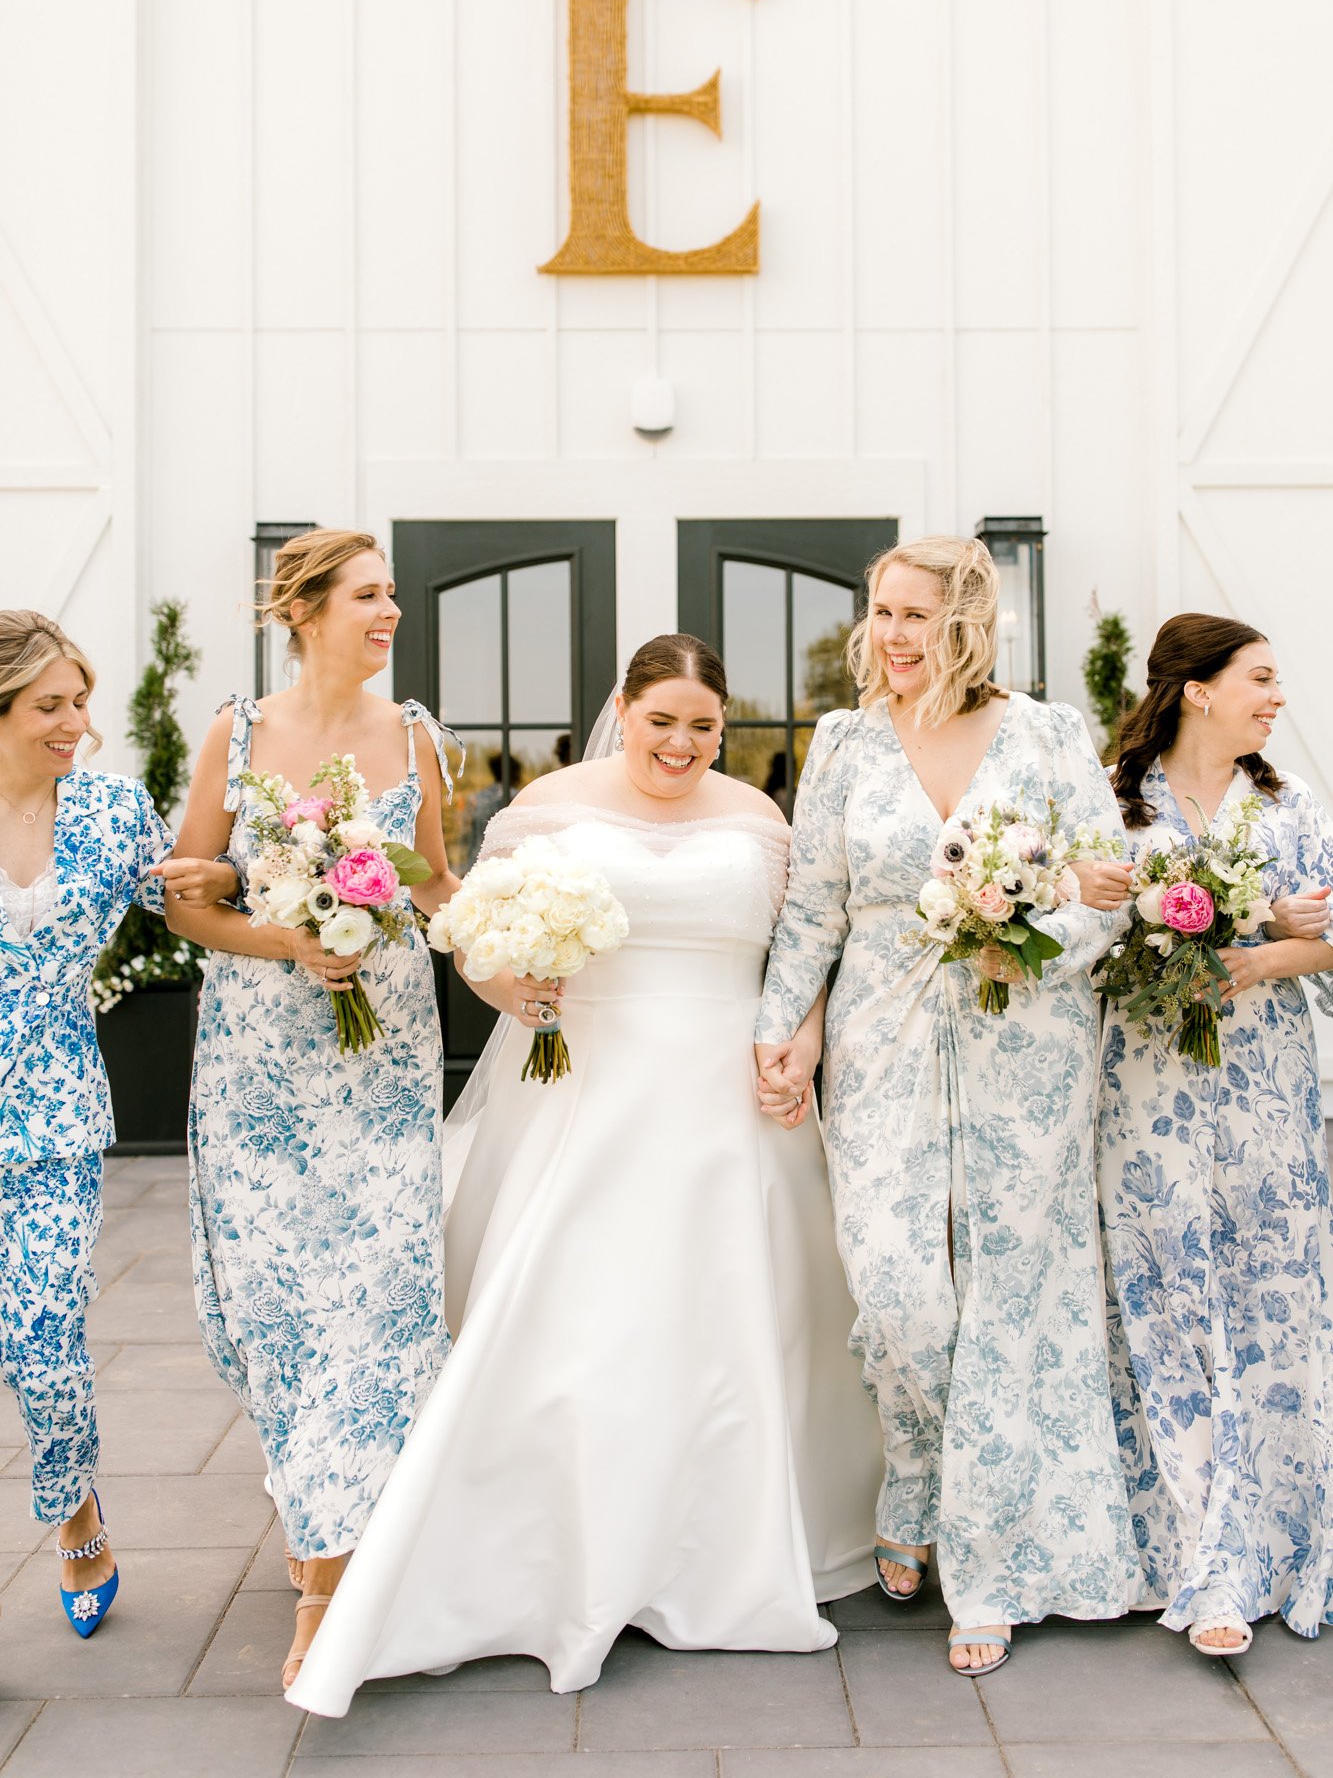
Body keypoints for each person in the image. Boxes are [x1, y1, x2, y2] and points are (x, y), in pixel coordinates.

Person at [288, 632, 883, 1715]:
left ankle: (733, 1545)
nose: (683, 743)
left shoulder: (761, 820)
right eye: (663, 720)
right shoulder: (546, 807)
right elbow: (474, 929)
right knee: (581, 1317)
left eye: (705, 726)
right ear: (624, 707)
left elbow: (807, 949)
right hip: (585, 1084)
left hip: (730, 1103)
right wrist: (509, 988)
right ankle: (558, 1546)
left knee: (737, 1315)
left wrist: (801, 1038)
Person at [754, 536, 1139, 1677]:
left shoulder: (1050, 733)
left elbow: (1103, 887)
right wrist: (781, 1031)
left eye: (916, 614)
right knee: (902, 1290)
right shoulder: (844, 741)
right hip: (878, 1044)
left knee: (1012, 1299)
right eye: (881, 612)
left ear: (969, 620)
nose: (891, 634)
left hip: (1027, 1044)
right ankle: (914, 1461)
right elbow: (812, 909)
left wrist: (1031, 936)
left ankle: (992, 1564)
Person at [165, 528, 459, 1689]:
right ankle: (328, 1526)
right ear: (306, 608)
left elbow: (433, 876)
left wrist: (506, 931)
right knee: (286, 1314)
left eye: (393, 596)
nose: (389, 613)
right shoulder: (235, 736)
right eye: (369, 596)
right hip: (257, 1067)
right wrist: (283, 935)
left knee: (382, 1306)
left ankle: (327, 1580)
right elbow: (190, 898)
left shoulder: (417, 736)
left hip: (385, 1060)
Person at [1074, 613, 1333, 1656]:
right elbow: (1073, 945)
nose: (1275, 696)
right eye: (1258, 678)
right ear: (1195, 688)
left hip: (1269, 1093)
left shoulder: (1289, 804)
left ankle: (1284, 1539)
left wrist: (1273, 951)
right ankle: (1201, 1562)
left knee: (1276, 1301)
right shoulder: (1112, 806)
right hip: (1146, 1093)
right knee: (1167, 1302)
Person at [0, 610, 235, 1635]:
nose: (78, 723)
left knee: (44, 1343)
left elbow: (181, 894)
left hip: (51, 1114)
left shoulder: (107, 807)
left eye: (80, 701)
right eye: (52, 704)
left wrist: (231, 874)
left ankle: (76, 1509)